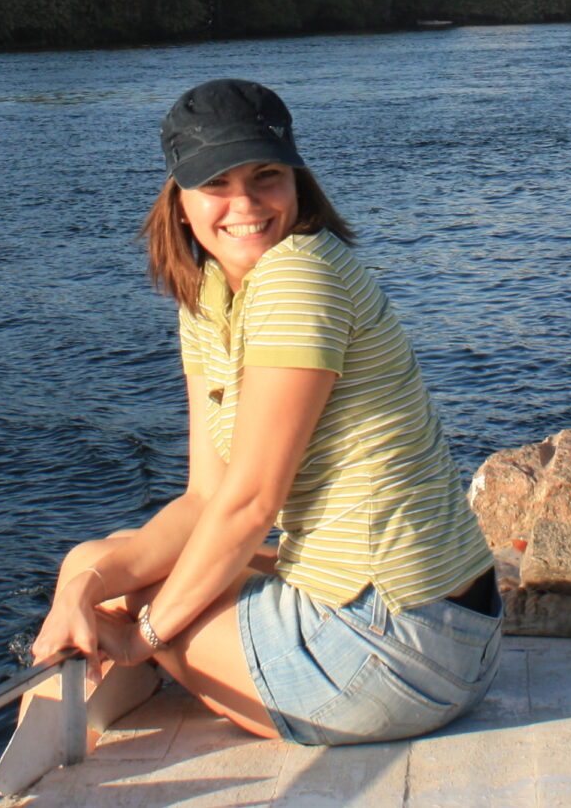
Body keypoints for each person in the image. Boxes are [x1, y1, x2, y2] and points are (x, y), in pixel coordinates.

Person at [31, 79, 502, 746]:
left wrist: (148, 635)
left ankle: (35, 781)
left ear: (297, 182)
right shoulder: (210, 297)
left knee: (120, 599)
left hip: (397, 649)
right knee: (90, 565)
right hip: (444, 635)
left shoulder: (298, 273)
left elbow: (251, 505)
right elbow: (207, 499)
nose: (245, 204)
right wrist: (80, 585)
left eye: (266, 176)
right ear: (180, 201)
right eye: (215, 183)